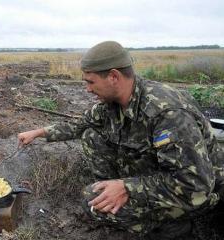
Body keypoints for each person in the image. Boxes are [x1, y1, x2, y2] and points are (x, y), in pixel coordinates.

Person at [17, 41, 224, 238]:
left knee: (94, 204)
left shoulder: (167, 113)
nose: (87, 89)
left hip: (198, 193)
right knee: (92, 136)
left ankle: (173, 226)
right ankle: (117, 194)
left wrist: (128, 188)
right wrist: (38, 133)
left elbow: (195, 184)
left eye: (90, 82)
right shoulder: (113, 102)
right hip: (160, 173)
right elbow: (81, 125)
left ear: (113, 77)